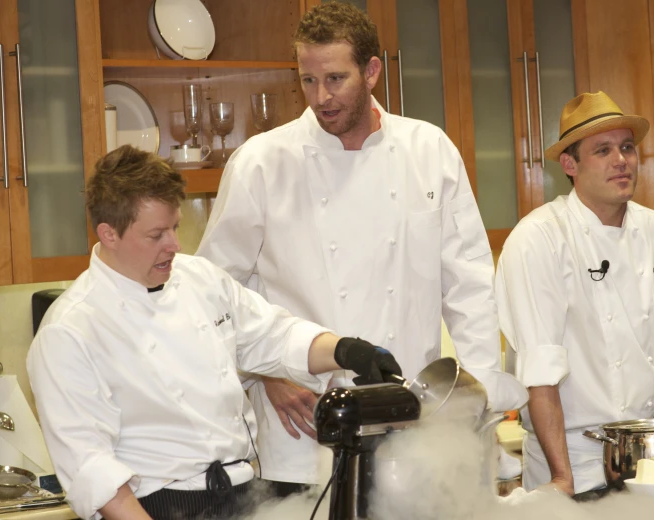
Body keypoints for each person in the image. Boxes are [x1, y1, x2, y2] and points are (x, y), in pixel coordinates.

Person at [196, 2, 523, 493]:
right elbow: (214, 296)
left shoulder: (429, 151)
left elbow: (469, 288)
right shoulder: (261, 164)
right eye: (308, 80)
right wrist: (264, 374)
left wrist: (475, 401)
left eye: (335, 79)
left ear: (372, 71)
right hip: (304, 434)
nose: (320, 97)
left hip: (414, 427)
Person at [26, 145, 402, 520]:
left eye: (175, 227)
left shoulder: (200, 279)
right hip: (155, 507)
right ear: (109, 234)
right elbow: (92, 469)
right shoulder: (70, 330)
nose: (174, 245)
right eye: (156, 235)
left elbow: (275, 336)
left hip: (245, 495)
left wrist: (349, 351)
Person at [495, 91, 654, 495]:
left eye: (626, 147)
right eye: (602, 150)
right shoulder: (539, 238)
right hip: (573, 459)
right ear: (570, 164)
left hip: (648, 457)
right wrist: (562, 478)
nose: (621, 160)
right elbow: (540, 372)